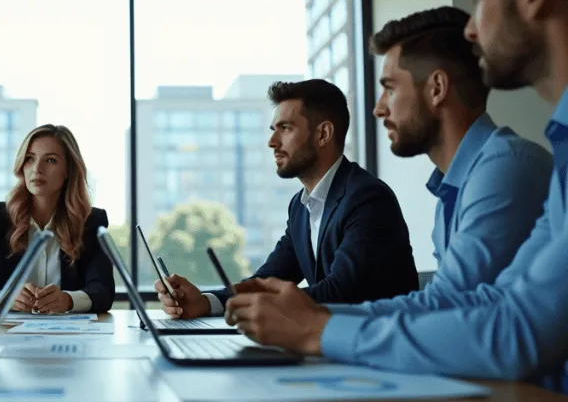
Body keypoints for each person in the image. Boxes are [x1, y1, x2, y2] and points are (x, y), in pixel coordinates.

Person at [225, 0, 568, 391]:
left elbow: (509, 328)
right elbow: (473, 304)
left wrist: (317, 328)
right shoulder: (469, 180)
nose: (377, 108)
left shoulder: (507, 167)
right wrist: (313, 321)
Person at [323, 6, 550, 319]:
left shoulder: (504, 168)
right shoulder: (454, 187)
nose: (379, 109)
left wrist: (313, 321)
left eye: (389, 88)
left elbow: (449, 305)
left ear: (437, 88)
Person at [156, 79, 418, 319]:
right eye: (273, 129)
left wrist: (253, 305)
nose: (272, 141)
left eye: (285, 128)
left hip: (379, 347)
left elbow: (341, 292)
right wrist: (206, 301)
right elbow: (269, 278)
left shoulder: (367, 199)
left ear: (323, 134)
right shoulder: (300, 207)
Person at [0, 124, 114, 314]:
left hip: (70, 332)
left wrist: (68, 300)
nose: (37, 169)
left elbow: (103, 291)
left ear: (68, 169)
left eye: (50, 160)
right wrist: (1, 299)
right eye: (30, 159)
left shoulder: (91, 221)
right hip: (7, 331)